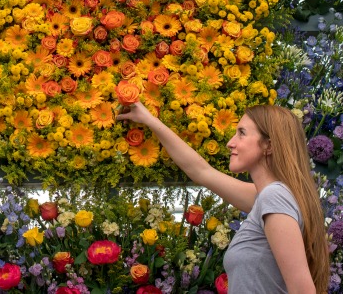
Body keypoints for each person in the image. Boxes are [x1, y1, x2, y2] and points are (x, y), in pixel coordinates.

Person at [117, 101, 329, 294]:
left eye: (242, 133)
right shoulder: (265, 197)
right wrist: (149, 120)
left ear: (269, 145)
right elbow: (201, 171)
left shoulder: (274, 197)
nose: (230, 142)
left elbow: (302, 290)